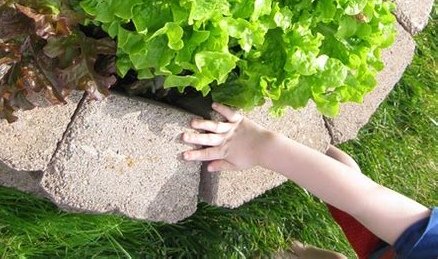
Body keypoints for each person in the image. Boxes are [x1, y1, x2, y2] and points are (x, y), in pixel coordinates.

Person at [182, 102, 437, 259]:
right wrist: (258, 145)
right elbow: (367, 199)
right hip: (391, 247)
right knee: (348, 192)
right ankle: (314, 145)